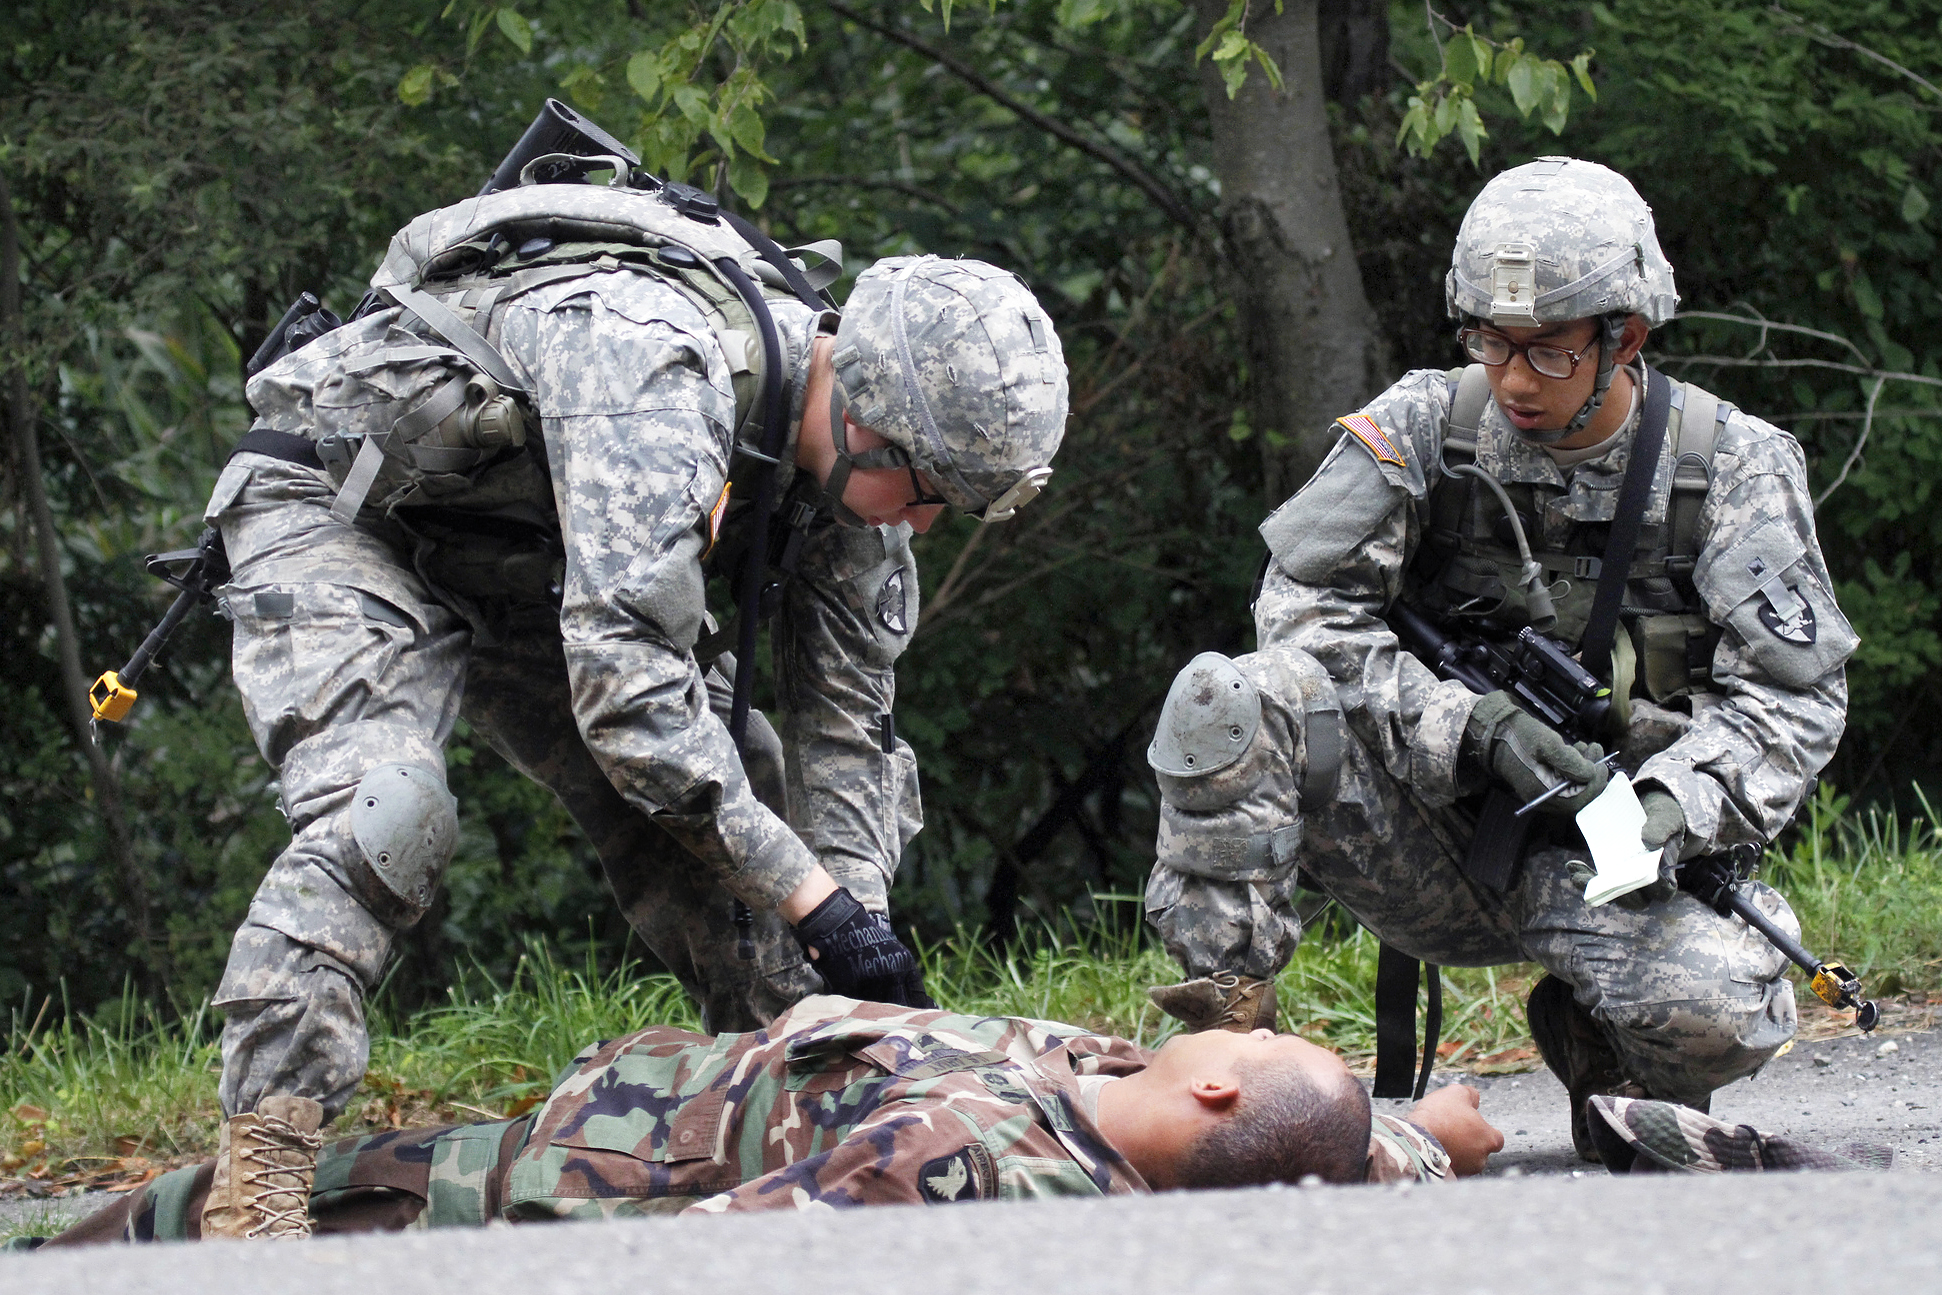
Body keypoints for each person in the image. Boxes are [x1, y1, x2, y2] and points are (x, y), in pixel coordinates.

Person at [197, 171, 1069, 1238]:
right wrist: (815, 897)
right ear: (863, 413)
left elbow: (845, 726)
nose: (925, 524)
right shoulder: (652, 365)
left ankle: (805, 1126)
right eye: (928, 490)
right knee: (389, 812)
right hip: (350, 513)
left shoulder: (861, 491)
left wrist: (859, 932)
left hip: (531, 566)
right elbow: (632, 703)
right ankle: (262, 1174)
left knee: (752, 813)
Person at [1142, 157, 1854, 1162]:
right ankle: (1229, 1055)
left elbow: (1793, 699)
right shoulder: (1421, 427)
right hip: (1420, 834)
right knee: (1234, 696)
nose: (1512, 376)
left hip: (1604, 854)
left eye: (1547, 350)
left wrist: (1671, 805)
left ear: (1626, 338)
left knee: (1721, 1006)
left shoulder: (1730, 466)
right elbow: (1300, 618)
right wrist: (1466, 724)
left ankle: (1600, 1043)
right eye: (1490, 340)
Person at [36, 997, 1495, 1246]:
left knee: (143, 1232)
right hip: (599, 1107)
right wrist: (1440, 1126)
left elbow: (698, 1253)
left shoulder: (958, 1168)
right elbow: (1352, 1148)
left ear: (1219, 1084)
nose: (1229, 1018)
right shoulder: (1250, 1140)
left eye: (1245, 1032)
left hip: (515, 1188)